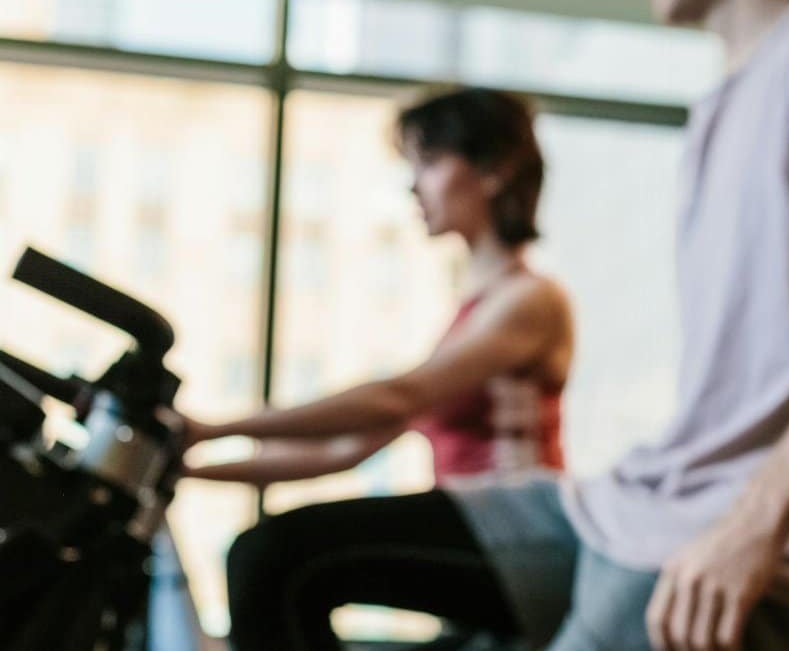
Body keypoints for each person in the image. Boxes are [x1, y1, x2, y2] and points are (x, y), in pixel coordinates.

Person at [204, 0, 789, 648]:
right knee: (271, 559)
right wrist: (201, 450)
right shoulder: (719, 108)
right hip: (623, 506)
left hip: (735, 550)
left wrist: (753, 523)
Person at [171, 88, 573, 648]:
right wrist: (186, 467)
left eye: (429, 164)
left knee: (268, 557)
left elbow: (397, 397)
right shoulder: (469, 317)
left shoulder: (529, 301)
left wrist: (213, 428)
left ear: (495, 170)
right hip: (482, 533)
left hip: (526, 529)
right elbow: (344, 450)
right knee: (271, 561)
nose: (414, 185)